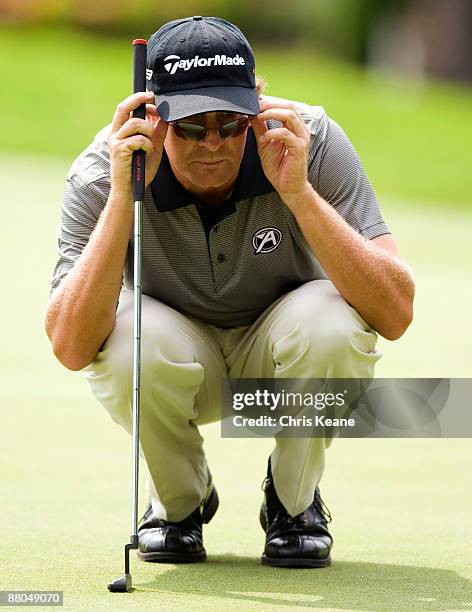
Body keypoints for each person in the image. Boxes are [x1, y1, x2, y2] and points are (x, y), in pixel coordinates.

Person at [44, 15, 415, 568]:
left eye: (231, 123)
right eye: (191, 125)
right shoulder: (106, 170)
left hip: (283, 358)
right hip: (176, 359)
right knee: (126, 343)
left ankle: (293, 505)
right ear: (153, 117)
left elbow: (396, 311)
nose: (213, 143)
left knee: (334, 323)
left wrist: (298, 191)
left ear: (257, 105)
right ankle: (178, 505)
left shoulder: (308, 142)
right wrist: (125, 198)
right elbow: (71, 346)